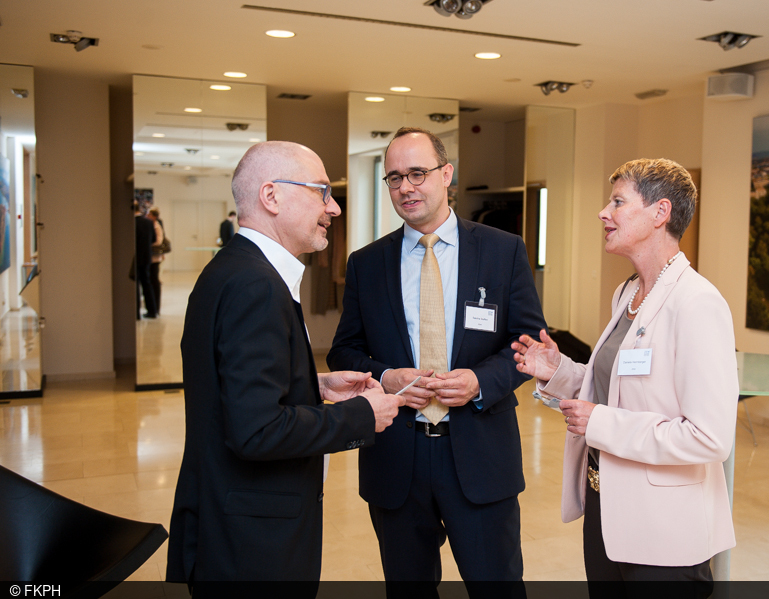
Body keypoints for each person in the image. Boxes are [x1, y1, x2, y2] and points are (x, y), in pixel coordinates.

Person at [167, 141, 405, 583]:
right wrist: (361, 416)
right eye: (322, 192)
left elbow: (231, 391)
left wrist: (311, 386)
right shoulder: (257, 286)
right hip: (251, 541)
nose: (333, 209)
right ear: (271, 196)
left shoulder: (233, 270)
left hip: (228, 520)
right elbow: (256, 432)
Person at [327, 127, 546, 590]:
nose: (406, 187)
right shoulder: (366, 264)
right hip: (396, 460)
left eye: (418, 173)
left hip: (480, 455)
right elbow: (344, 349)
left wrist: (480, 382)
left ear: (447, 175)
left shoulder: (502, 251)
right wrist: (384, 376)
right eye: (394, 178)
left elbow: (527, 343)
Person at [512, 158, 738, 592]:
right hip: (608, 507)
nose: (603, 212)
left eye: (618, 201)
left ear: (660, 213)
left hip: (665, 528)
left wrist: (601, 423)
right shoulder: (627, 293)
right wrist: (557, 372)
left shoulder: (697, 303)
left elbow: (709, 437)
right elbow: (619, 391)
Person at [134, 203, 158, 319]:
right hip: (147, 257)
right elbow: (153, 239)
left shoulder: (132, 223)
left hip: (135, 258)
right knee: (147, 284)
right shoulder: (148, 222)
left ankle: (136, 313)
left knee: (135, 285)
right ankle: (152, 311)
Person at [147, 207, 165, 312]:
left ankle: (156, 306)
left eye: (150, 215)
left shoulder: (157, 226)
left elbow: (158, 241)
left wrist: (147, 243)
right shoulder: (152, 225)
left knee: (154, 280)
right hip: (151, 257)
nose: (148, 216)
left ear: (154, 216)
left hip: (155, 257)